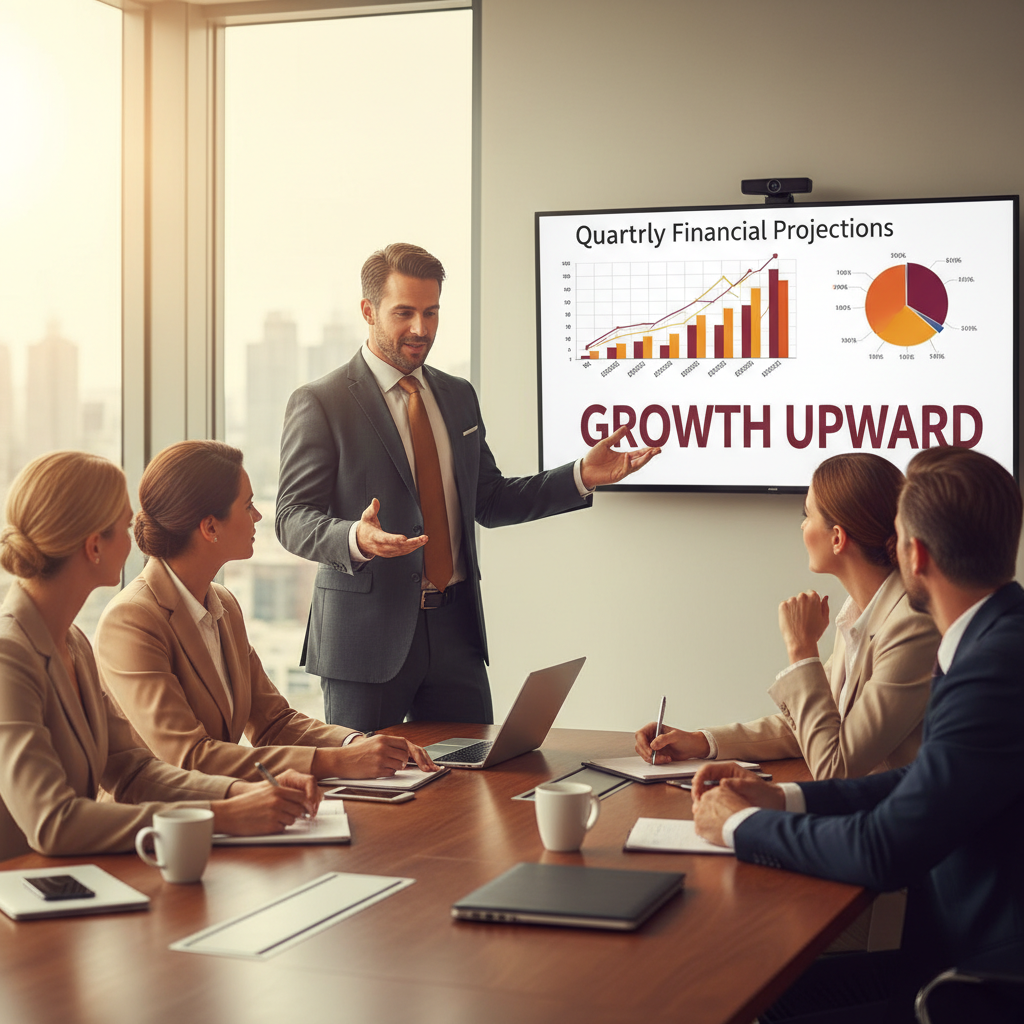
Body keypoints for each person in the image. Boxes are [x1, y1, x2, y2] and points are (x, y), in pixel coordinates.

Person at [692, 446, 1024, 1021]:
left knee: (735, 997)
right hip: (950, 954)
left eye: (895, 537)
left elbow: (882, 848)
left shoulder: (992, 668)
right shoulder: (988, 640)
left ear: (914, 554)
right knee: (758, 998)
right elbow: (921, 779)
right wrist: (782, 796)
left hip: (975, 984)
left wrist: (742, 826)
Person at [276, 242, 660, 731]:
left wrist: (581, 475)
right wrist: (355, 538)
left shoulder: (457, 396)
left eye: (432, 312)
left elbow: (490, 500)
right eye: (405, 313)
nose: (422, 329)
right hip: (366, 641)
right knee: (369, 796)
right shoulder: (321, 402)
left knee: (476, 785)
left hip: (456, 633)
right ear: (368, 311)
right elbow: (290, 517)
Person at [0, 451, 318, 862]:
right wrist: (221, 815)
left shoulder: (73, 641)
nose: (138, 534)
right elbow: (54, 824)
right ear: (95, 546)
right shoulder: (9, 655)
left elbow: (133, 770)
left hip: (70, 883)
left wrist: (245, 791)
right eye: (124, 524)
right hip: (19, 902)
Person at [95, 441, 435, 782]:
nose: (258, 516)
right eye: (248, 505)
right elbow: (190, 758)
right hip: (161, 825)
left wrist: (357, 744)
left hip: (225, 809)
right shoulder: (131, 620)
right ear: (210, 528)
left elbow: (274, 722)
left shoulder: (223, 604)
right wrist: (335, 763)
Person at [636, 453, 940, 779]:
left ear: (837, 538)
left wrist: (802, 649)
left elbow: (835, 768)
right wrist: (700, 741)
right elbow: (812, 723)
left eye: (806, 515)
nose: (802, 526)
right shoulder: (860, 613)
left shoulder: (911, 625)